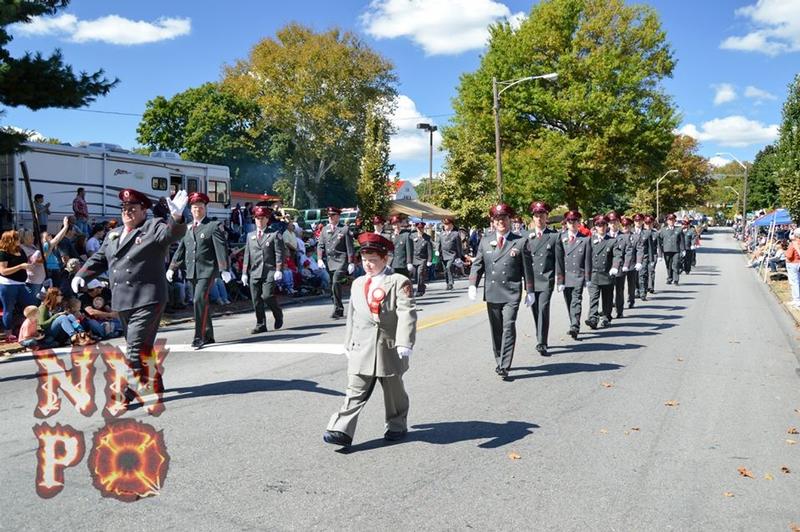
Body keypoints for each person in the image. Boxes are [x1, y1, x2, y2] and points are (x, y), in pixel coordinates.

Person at [73, 188, 188, 402]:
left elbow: (171, 234)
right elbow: (99, 259)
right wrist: (82, 275)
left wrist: (177, 217)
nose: (127, 212)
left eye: (133, 208)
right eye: (124, 208)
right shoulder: (113, 234)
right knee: (142, 345)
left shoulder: (152, 227)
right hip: (123, 299)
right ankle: (154, 381)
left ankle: (127, 391)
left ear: (144, 210)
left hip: (148, 297)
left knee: (134, 347)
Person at [323, 232, 417, 447]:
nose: (368, 265)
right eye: (364, 260)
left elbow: (406, 313)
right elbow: (352, 316)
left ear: (386, 259)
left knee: (394, 392)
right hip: (362, 346)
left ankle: (397, 425)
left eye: (373, 260)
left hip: (389, 347)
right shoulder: (357, 284)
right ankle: (340, 429)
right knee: (355, 389)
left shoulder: (398, 282)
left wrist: (405, 341)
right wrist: (348, 342)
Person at [468, 204, 533, 380]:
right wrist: (473, 284)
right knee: (496, 329)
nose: (501, 222)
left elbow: (527, 269)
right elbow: (478, 265)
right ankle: (499, 359)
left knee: (508, 326)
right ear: (493, 222)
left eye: (504, 218)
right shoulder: (484, 241)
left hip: (511, 292)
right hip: (493, 291)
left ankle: (504, 365)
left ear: (509, 220)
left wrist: (530, 290)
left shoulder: (519, 241)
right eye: (497, 219)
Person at [167, 192, 231, 349]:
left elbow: (221, 248)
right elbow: (181, 249)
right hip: (192, 271)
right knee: (202, 303)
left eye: (200, 207)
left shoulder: (212, 226)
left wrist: (224, 269)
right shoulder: (188, 227)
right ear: (190, 209)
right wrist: (172, 267)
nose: (197, 210)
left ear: (205, 208)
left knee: (198, 300)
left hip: (207, 270)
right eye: (194, 208)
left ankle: (199, 336)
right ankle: (208, 334)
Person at [523, 201, 563, 357]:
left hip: (546, 279)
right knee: (535, 310)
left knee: (543, 308)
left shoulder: (553, 236)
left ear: (547, 217)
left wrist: (560, 280)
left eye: (542, 215)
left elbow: (559, 260)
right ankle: (540, 334)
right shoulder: (526, 236)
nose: (539, 218)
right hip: (531, 280)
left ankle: (542, 342)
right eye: (536, 215)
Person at [242, 205, 285, 334]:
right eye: (257, 218)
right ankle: (261, 324)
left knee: (267, 296)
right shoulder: (250, 236)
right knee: (256, 299)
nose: (259, 221)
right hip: (255, 271)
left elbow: (279, 253)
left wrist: (279, 269)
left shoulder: (274, 234)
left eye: (262, 218)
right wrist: (244, 272)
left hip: (269, 270)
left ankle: (278, 314)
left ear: (267, 219)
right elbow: (247, 255)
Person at [0, 230, 39, 342]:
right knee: (9, 308)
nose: (19, 240)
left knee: (31, 303)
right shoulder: (3, 253)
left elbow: (25, 262)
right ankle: (8, 333)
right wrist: (20, 266)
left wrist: (29, 264)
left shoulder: (20, 250)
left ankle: (29, 328)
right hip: (8, 284)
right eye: (16, 238)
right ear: (10, 240)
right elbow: (3, 271)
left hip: (21, 283)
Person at [317, 207, 355, 319]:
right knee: (332, 285)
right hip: (329, 261)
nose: (330, 218)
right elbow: (320, 245)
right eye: (329, 216)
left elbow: (350, 247)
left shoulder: (344, 229)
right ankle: (336, 304)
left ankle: (338, 309)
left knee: (335, 282)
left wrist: (351, 262)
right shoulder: (325, 229)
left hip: (341, 260)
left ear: (338, 216)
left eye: (332, 215)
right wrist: (319, 259)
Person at [559, 210, 592, 340]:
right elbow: (558, 259)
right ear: (566, 223)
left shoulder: (585, 240)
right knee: (568, 302)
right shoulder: (560, 238)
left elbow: (587, 260)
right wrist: (559, 278)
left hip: (578, 275)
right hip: (565, 276)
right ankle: (573, 321)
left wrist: (588, 278)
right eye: (570, 221)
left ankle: (575, 326)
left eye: (575, 221)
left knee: (576, 300)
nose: (572, 224)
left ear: (579, 223)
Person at [585, 215, 621, 329]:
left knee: (607, 298)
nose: (601, 227)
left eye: (603, 225)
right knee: (593, 297)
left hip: (607, 274)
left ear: (606, 226)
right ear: (595, 227)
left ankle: (606, 316)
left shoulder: (612, 241)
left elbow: (617, 255)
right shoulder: (590, 241)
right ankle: (593, 318)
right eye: (598, 225)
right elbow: (586, 257)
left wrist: (615, 267)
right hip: (594, 274)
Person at [619, 216, 643, 310]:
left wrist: (639, 262)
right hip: (620, 264)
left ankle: (631, 300)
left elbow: (639, 250)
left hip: (632, 264)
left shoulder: (636, 237)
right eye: (623, 225)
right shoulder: (618, 237)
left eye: (627, 225)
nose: (625, 227)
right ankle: (618, 302)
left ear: (630, 226)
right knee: (619, 285)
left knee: (631, 284)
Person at [437, 216, 464, 290]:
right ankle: (447, 282)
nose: (445, 226)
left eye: (447, 224)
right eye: (444, 224)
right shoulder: (441, 234)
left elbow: (459, 246)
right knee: (445, 270)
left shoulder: (455, 234)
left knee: (448, 267)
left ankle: (451, 283)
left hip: (452, 255)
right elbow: (438, 243)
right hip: (443, 254)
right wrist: (437, 251)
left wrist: (459, 256)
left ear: (451, 225)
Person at [631, 214, 653, 301]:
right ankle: (636, 290)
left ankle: (643, 292)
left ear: (642, 221)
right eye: (636, 221)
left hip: (644, 256)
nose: (638, 222)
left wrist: (651, 260)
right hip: (633, 257)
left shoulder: (647, 232)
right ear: (634, 222)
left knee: (643, 274)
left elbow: (650, 247)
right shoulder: (630, 231)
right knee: (634, 275)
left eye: (640, 220)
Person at [658, 213, 684, 286]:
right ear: (667, 221)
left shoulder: (678, 229)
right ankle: (669, 278)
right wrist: (659, 252)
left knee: (676, 264)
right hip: (667, 250)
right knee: (668, 265)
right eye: (670, 220)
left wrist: (683, 249)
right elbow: (659, 241)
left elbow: (682, 240)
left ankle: (676, 279)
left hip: (676, 250)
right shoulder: (663, 230)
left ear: (675, 220)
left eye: (673, 220)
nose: (671, 221)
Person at [410, 221, 432, 297]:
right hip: (414, 258)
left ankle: (420, 290)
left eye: (421, 228)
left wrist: (429, 260)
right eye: (418, 228)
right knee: (415, 275)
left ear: (423, 228)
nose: (420, 229)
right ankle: (422, 285)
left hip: (422, 259)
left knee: (420, 273)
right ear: (416, 228)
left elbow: (429, 250)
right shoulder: (412, 236)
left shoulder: (427, 237)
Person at [389, 214, 413, 279]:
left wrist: (409, 262)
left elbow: (409, 250)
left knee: (405, 283)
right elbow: (389, 251)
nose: (396, 226)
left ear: (400, 224)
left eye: (397, 224)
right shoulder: (391, 236)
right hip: (393, 264)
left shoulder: (406, 235)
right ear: (392, 226)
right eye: (394, 225)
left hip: (403, 264)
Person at [644, 215, 659, 294]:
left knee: (651, 270)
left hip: (653, 254)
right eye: (646, 223)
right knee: (644, 272)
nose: (648, 224)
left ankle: (651, 287)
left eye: (650, 223)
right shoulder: (641, 232)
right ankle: (644, 286)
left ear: (652, 223)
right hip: (643, 255)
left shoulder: (655, 233)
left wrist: (659, 255)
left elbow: (659, 245)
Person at [785, 229, 800, 307]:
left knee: (794, 282)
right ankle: (796, 299)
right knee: (797, 281)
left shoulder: (793, 244)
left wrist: (786, 254)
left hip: (792, 263)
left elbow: (789, 255)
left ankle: (796, 300)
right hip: (798, 263)